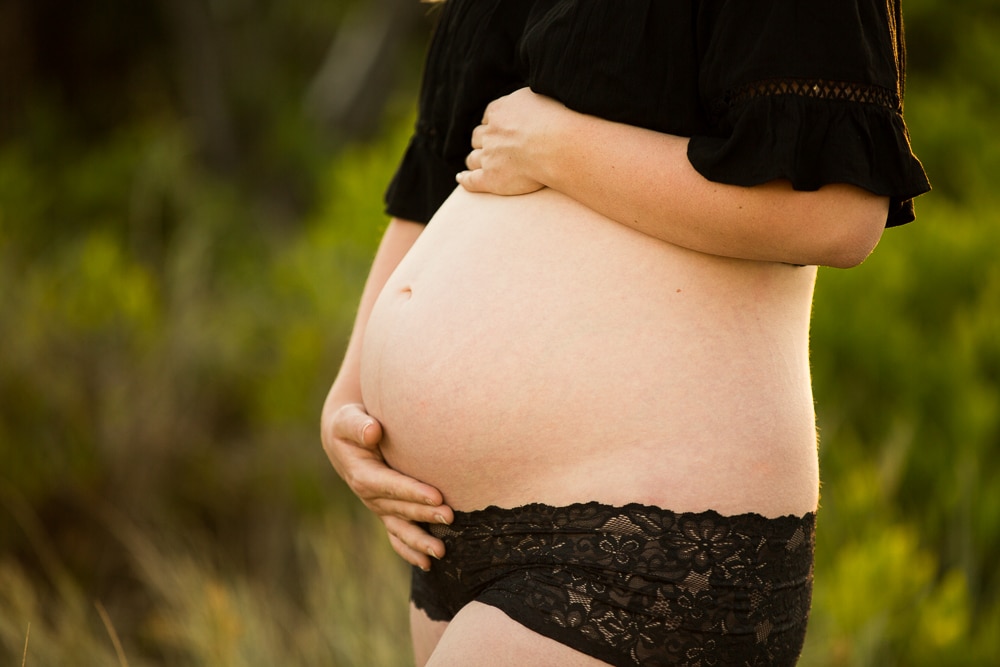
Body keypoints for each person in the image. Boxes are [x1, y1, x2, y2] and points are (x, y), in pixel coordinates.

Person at [320, 1, 930, 665]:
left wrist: (561, 147)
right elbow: (442, 174)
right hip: (446, 534)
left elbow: (839, 215)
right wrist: (347, 396)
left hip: (646, 532)